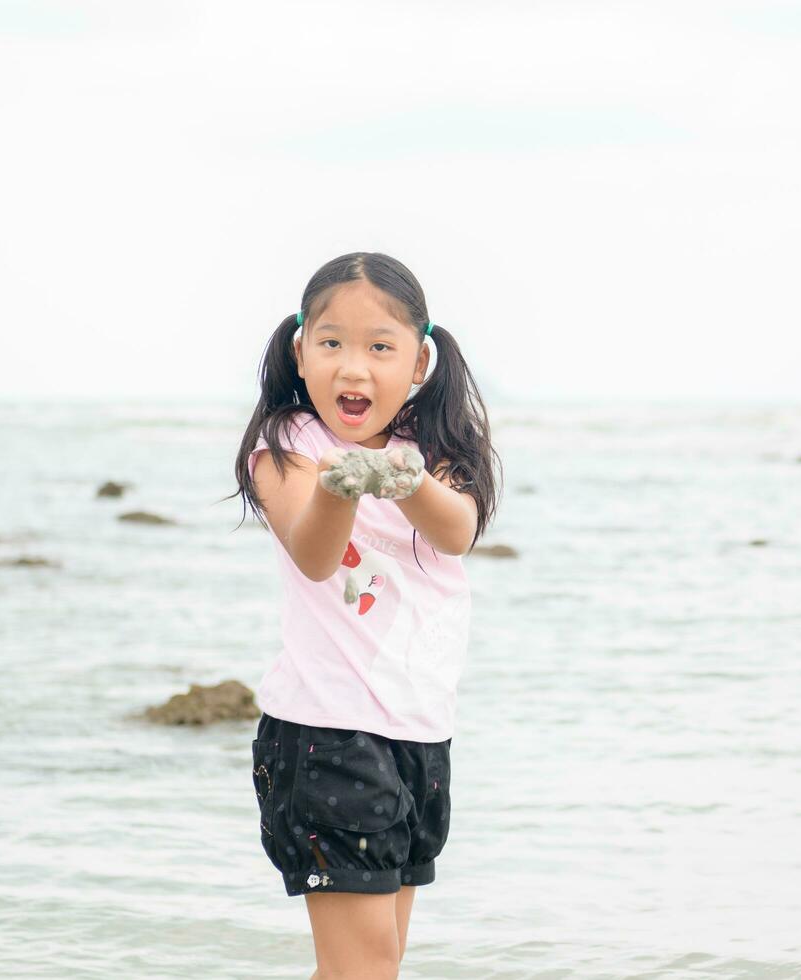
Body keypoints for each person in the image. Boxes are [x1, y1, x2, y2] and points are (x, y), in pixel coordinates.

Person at [226, 251, 500, 978]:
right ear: (300, 350)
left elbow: (458, 532)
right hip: (327, 732)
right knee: (365, 968)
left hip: (420, 735)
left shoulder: (433, 447)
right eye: (332, 343)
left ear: (419, 362)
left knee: (378, 964)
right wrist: (342, 487)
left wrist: (404, 480)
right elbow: (315, 556)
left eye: (380, 347)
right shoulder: (289, 447)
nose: (354, 367)